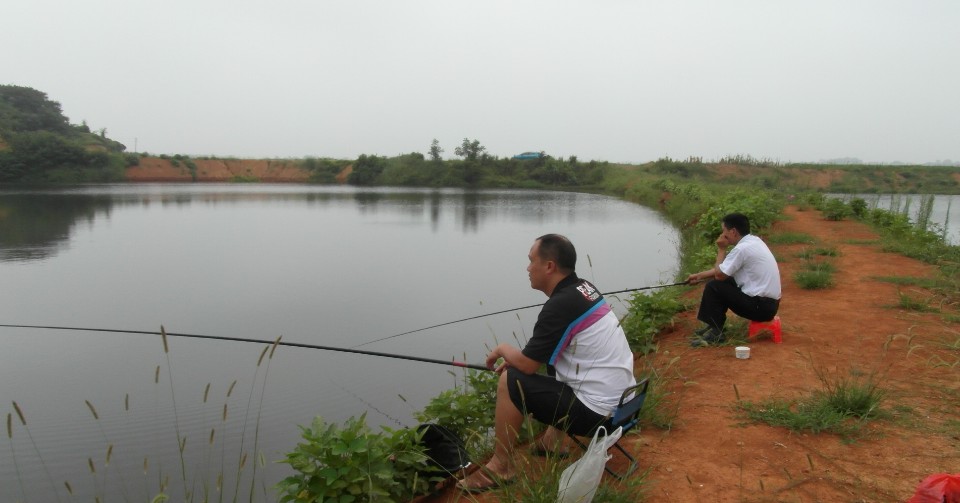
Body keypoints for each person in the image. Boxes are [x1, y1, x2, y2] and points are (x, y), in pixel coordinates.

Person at [456, 234, 637, 493]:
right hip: (625, 404)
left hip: (600, 417)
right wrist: (520, 361)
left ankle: (500, 467)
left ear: (549, 266)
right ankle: (553, 441)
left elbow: (528, 366)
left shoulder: (559, 306)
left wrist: (503, 349)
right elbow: (538, 358)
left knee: (510, 380)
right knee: (554, 356)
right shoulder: (584, 288)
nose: (528, 268)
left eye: (531, 261)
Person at [686, 212, 781, 347]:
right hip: (769, 305)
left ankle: (716, 334)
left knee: (714, 286)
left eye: (724, 231)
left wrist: (721, 249)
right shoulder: (754, 241)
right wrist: (699, 276)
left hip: (760, 308)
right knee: (723, 281)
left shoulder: (742, 249)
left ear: (733, 231)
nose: (722, 234)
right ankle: (715, 326)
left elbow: (719, 274)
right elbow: (725, 270)